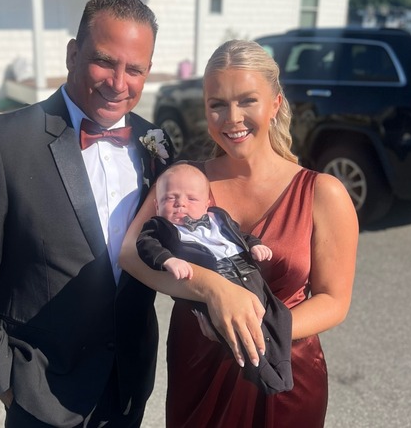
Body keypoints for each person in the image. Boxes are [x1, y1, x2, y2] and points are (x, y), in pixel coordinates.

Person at [0, 0, 173, 427]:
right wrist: (5, 381)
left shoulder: (155, 144)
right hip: (38, 395)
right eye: (105, 61)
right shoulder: (3, 142)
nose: (119, 83)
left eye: (134, 69)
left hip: (126, 390)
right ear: (72, 53)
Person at [119, 39, 358, 427]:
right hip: (198, 364)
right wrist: (211, 290)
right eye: (217, 104)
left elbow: (334, 300)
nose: (232, 118)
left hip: (286, 372)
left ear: (276, 104)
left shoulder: (322, 192)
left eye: (247, 101)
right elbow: (130, 252)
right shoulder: (184, 182)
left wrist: (256, 332)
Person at [136, 161, 294, 395]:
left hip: (247, 272)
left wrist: (255, 246)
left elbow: (241, 235)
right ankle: (262, 374)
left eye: (191, 198)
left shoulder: (219, 219)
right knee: (236, 331)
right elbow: (145, 244)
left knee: (280, 315)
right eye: (170, 198)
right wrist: (168, 260)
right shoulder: (161, 228)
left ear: (208, 203)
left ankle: (282, 365)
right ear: (157, 206)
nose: (181, 204)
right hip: (218, 277)